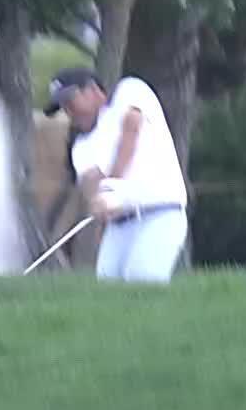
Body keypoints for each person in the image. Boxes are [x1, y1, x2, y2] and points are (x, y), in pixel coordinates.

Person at [45, 67, 187, 282]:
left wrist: (112, 186)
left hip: (160, 212)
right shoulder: (81, 147)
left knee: (143, 281)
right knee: (108, 288)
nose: (68, 111)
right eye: (63, 106)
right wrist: (99, 201)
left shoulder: (130, 90)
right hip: (119, 225)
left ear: (93, 90)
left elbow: (131, 130)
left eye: (70, 101)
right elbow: (91, 186)